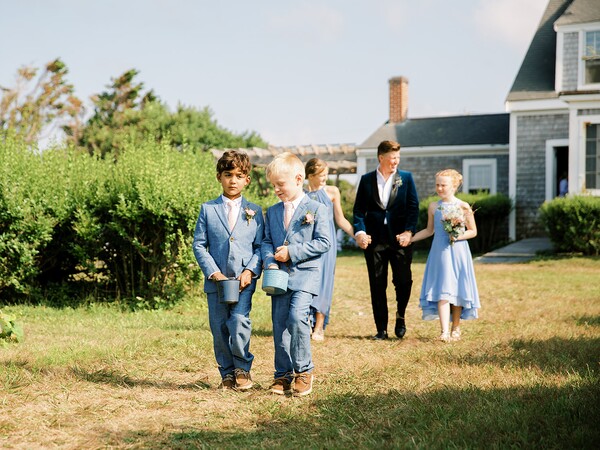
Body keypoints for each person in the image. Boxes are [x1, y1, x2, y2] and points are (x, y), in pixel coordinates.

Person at [192, 150, 264, 390]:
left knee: (240, 322)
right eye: (228, 175)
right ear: (219, 177)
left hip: (243, 281)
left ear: (247, 180)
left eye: (239, 176)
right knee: (220, 326)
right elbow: (199, 245)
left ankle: (242, 368)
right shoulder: (208, 209)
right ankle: (226, 373)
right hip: (217, 281)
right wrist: (214, 273)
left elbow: (260, 246)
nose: (233, 180)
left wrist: (250, 271)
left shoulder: (255, 211)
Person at [262, 152, 331, 397]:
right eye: (273, 185)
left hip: (306, 274)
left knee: (297, 316)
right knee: (280, 322)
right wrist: (270, 261)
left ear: (299, 179)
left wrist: (292, 251)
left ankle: (304, 370)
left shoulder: (317, 209)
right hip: (279, 277)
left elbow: (324, 242)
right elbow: (266, 241)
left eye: (280, 184)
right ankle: (282, 374)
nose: (276, 190)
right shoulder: (272, 211)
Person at [353, 140, 419, 340]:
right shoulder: (366, 180)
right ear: (381, 158)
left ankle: (401, 316)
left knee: (404, 281)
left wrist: (409, 232)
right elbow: (358, 211)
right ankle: (381, 329)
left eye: (398, 158)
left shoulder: (406, 178)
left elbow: (413, 208)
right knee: (377, 284)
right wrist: (360, 232)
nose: (395, 162)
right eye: (392, 158)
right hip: (374, 241)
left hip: (399, 239)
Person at [410, 169, 480, 342]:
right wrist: (410, 239)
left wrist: (457, 236)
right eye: (437, 185)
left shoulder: (463, 206)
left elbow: (473, 231)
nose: (440, 188)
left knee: (457, 289)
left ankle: (456, 327)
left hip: (458, 252)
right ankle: (444, 331)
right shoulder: (434, 207)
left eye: (443, 185)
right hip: (440, 252)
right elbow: (429, 230)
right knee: (442, 289)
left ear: (454, 186)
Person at [305, 158, 354, 341]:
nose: (325, 178)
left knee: (324, 282)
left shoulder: (332, 191)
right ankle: (305, 321)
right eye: (322, 175)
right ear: (310, 176)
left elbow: (340, 219)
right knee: (306, 281)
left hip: (327, 245)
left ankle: (319, 327)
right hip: (307, 244)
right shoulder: (301, 194)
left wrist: (357, 235)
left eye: (326, 174)